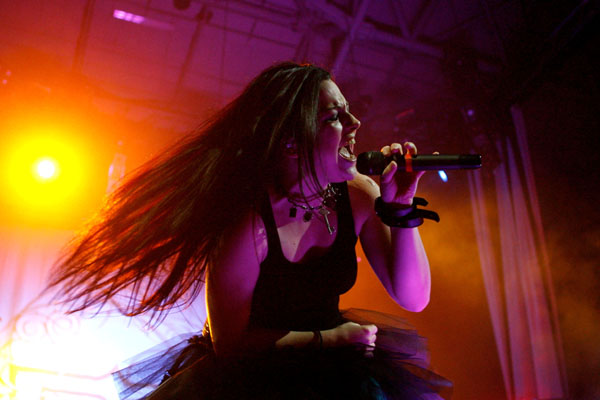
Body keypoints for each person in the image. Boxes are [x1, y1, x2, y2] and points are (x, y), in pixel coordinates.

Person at [49, 62, 452, 399]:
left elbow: (414, 297)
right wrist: (328, 339)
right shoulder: (248, 220)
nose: (355, 123)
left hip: (332, 376)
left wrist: (400, 209)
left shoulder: (360, 195)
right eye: (334, 117)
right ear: (291, 142)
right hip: (249, 377)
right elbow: (229, 344)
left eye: (348, 110)